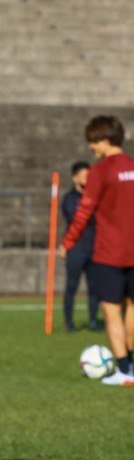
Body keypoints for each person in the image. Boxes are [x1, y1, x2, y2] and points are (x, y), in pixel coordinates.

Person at [61, 115, 134, 386]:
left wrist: (68, 242)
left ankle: (124, 371)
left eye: (92, 142)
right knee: (132, 309)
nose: (91, 147)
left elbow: (84, 212)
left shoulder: (100, 172)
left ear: (103, 140)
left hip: (109, 253)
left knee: (112, 312)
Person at [61, 161, 100, 333]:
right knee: (71, 286)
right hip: (76, 248)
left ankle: (93, 321)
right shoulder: (70, 198)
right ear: (75, 178)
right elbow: (75, 217)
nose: (88, 179)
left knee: (95, 287)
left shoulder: (96, 195)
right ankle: (69, 322)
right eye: (84, 175)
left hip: (95, 247)